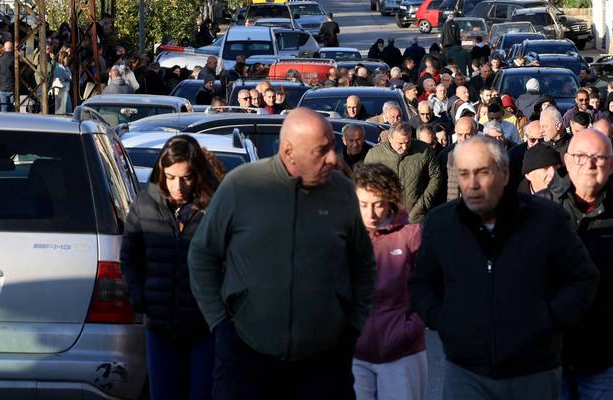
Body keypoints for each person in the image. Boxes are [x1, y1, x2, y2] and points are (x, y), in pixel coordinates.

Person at [188, 108, 377, 399]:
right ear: (289, 151)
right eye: (321, 150)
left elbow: (363, 263)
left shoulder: (341, 191)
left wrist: (352, 328)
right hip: (248, 359)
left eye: (333, 147)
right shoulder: (242, 186)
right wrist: (220, 325)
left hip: (324, 364)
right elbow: (202, 255)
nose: (332, 158)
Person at [409, 136, 600, 399]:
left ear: (504, 173)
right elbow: (422, 282)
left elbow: (582, 278)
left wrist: (548, 321)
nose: (472, 184)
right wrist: (444, 319)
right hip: (465, 371)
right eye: (464, 174)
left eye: (482, 172)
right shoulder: (441, 224)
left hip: (533, 372)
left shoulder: (547, 219)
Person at [535, 129, 613, 400]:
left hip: (603, 353)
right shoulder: (540, 208)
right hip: (549, 352)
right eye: (580, 157)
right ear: (566, 161)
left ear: (611, 164)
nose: (589, 164)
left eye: (599, 158)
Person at [122, 135, 220, 400]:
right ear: (161, 172)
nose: (178, 186)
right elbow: (130, 256)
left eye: (186, 177)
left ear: (197, 173)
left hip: (204, 326)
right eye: (171, 177)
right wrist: (138, 294)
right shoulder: (145, 204)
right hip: (160, 325)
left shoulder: (215, 207)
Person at [350, 163, 428, 400]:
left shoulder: (412, 236)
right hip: (355, 355)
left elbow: (431, 288)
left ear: (391, 200)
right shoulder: (343, 235)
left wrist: (409, 330)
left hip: (402, 354)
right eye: (363, 205)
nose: (371, 214)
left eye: (378, 204)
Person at [364, 122, 445, 224]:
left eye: (408, 142)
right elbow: (366, 184)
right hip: (386, 218)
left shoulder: (423, 150)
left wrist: (422, 205)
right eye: (400, 143)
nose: (405, 147)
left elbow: (436, 177)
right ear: (390, 138)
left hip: (416, 217)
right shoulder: (375, 155)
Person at [0, 41, 16, 111]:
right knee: (13, 109)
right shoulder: (15, 60)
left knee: (4, 109)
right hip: (12, 88)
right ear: (12, 48)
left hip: (2, 88)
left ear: (4, 48)